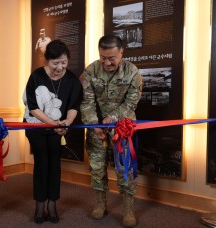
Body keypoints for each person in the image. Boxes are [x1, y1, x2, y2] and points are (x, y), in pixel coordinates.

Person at [79, 35, 142, 227]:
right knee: (97, 167)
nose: (107, 62)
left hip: (123, 128)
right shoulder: (91, 71)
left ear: (121, 52)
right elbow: (86, 102)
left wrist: (112, 119)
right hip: (96, 127)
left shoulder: (133, 72)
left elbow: (131, 102)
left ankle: (128, 210)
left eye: (111, 58)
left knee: (125, 169)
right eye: (103, 57)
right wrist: (94, 124)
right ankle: (100, 205)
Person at [23, 39, 82, 224]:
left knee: (55, 164)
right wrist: (53, 123)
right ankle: (40, 205)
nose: (60, 67)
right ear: (46, 60)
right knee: (42, 163)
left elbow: (73, 106)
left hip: (58, 129)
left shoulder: (71, 79)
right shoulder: (36, 77)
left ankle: (52, 204)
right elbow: (33, 107)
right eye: (55, 63)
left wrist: (67, 122)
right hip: (36, 125)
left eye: (64, 62)